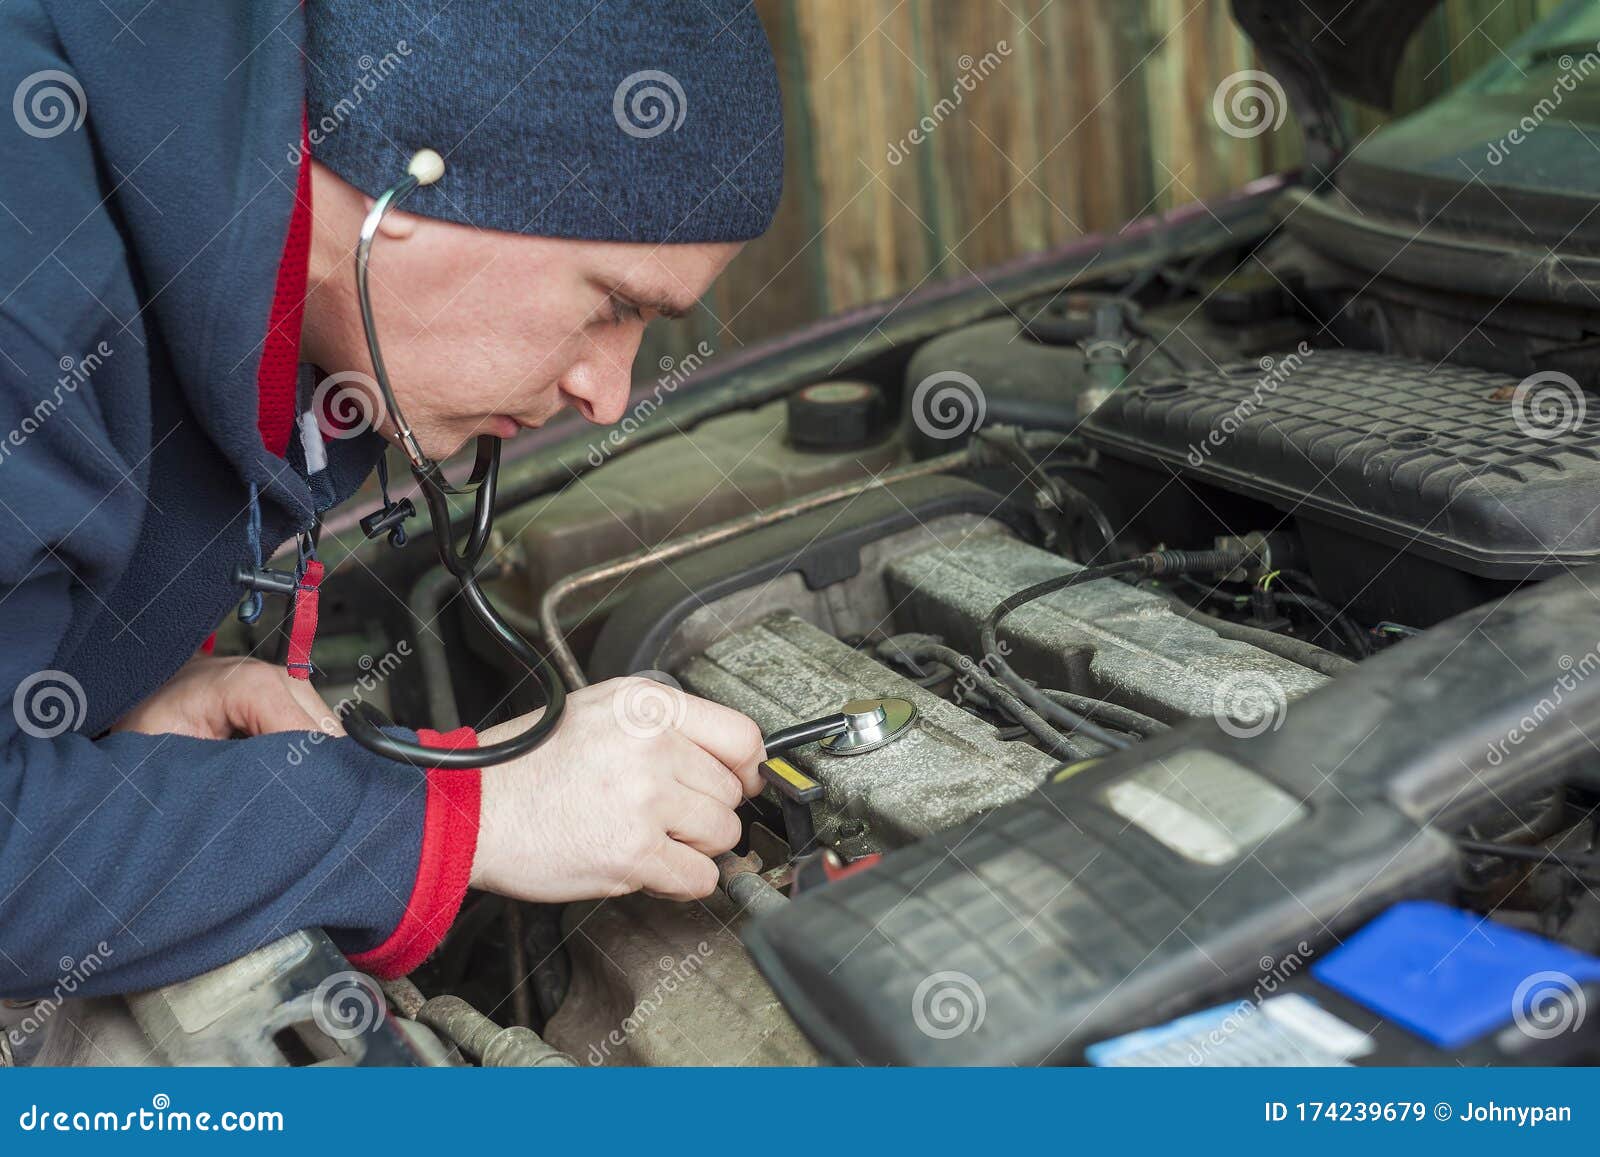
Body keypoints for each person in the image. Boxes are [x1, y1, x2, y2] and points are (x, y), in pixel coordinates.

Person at [0, 0, 783, 999]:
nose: (609, 393)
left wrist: (102, 692)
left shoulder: (323, 319)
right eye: (615, 303)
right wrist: (461, 812)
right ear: (407, 194)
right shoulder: (25, 283)